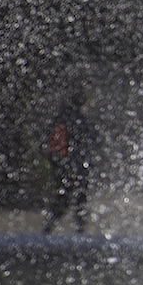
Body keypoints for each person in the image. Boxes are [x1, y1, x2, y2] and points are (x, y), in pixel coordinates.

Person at [43, 92, 97, 234]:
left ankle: (50, 226)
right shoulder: (81, 119)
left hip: (63, 164)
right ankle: (80, 228)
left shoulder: (61, 118)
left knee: (64, 196)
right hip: (78, 163)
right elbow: (93, 140)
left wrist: (56, 163)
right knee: (80, 197)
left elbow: (51, 144)